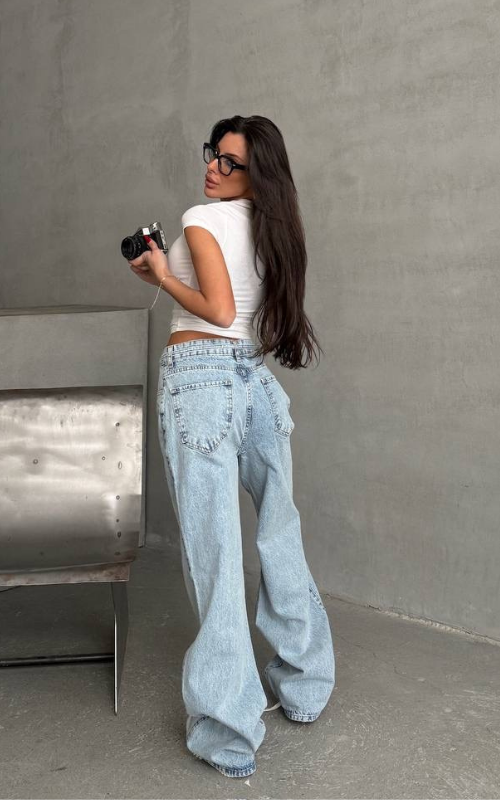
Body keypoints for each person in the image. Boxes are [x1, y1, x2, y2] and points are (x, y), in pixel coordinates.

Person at [128, 115, 335, 779]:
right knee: (279, 535)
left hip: (201, 385)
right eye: (213, 155)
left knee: (216, 555)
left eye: (230, 162)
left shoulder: (201, 218)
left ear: (256, 172)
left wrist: (163, 275)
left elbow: (215, 312)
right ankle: (304, 687)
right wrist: (165, 273)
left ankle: (228, 734)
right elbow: (238, 308)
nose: (213, 168)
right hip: (255, 383)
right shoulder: (273, 229)